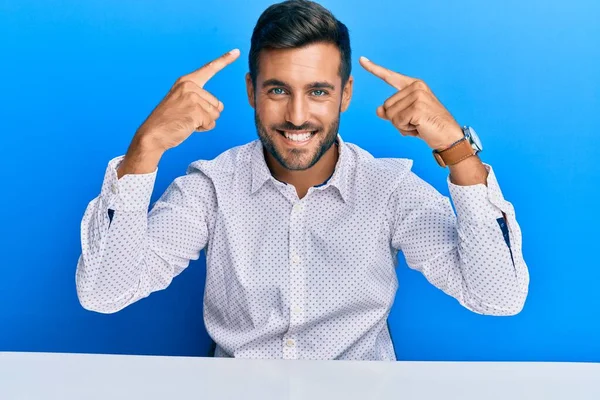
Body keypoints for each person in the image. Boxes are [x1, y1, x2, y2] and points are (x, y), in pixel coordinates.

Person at [75, 0, 529, 361]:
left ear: (345, 94)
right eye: (277, 90)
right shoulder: (212, 188)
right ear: (251, 90)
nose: (296, 115)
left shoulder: (389, 190)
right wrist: (144, 150)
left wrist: (457, 151)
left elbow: (498, 297)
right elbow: (103, 294)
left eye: (317, 91)